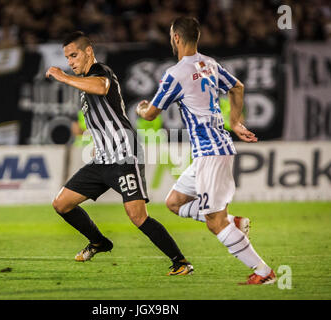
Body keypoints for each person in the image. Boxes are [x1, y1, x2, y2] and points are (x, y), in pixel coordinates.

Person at [136, 17, 275, 285]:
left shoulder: (175, 74)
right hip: (207, 152)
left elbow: (151, 114)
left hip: (212, 153)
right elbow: (237, 86)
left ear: (176, 37)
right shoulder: (209, 64)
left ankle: (263, 272)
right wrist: (235, 122)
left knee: (214, 222)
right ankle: (233, 221)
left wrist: (141, 108)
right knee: (174, 203)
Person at [46, 31, 193, 276]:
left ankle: (180, 261)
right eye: (67, 58)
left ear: (88, 52)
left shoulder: (101, 72)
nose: (70, 62)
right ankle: (99, 242)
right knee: (62, 204)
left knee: (137, 216)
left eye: (74, 55)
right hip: (102, 159)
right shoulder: (85, 84)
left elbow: (102, 88)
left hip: (125, 155)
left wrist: (64, 77)